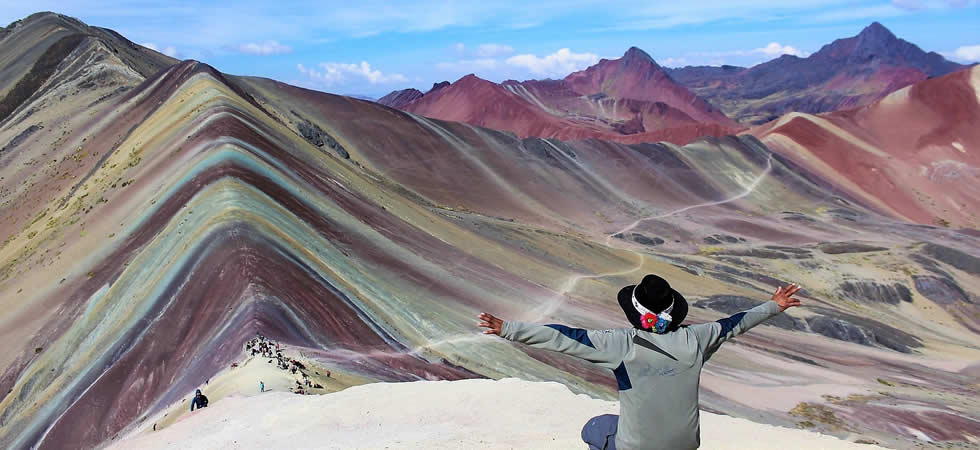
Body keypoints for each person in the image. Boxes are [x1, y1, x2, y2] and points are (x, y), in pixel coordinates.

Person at [478, 274, 802, 450]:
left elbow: (565, 337)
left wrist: (508, 329)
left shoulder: (621, 344)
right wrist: (774, 305)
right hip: (686, 446)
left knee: (595, 429)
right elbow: (735, 323)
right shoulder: (699, 338)